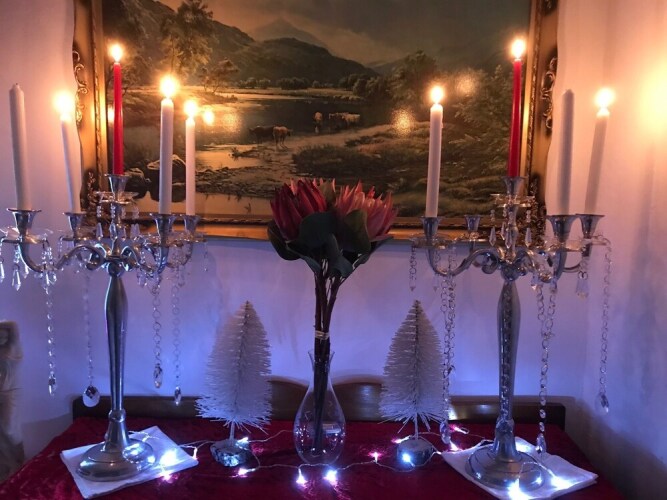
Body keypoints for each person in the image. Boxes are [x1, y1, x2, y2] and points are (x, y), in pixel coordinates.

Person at [0, 321, 24, 481]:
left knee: (9, 430)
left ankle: (19, 462)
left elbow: (13, 325)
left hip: (10, 394)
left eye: (3, 336)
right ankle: (6, 467)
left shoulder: (12, 349)